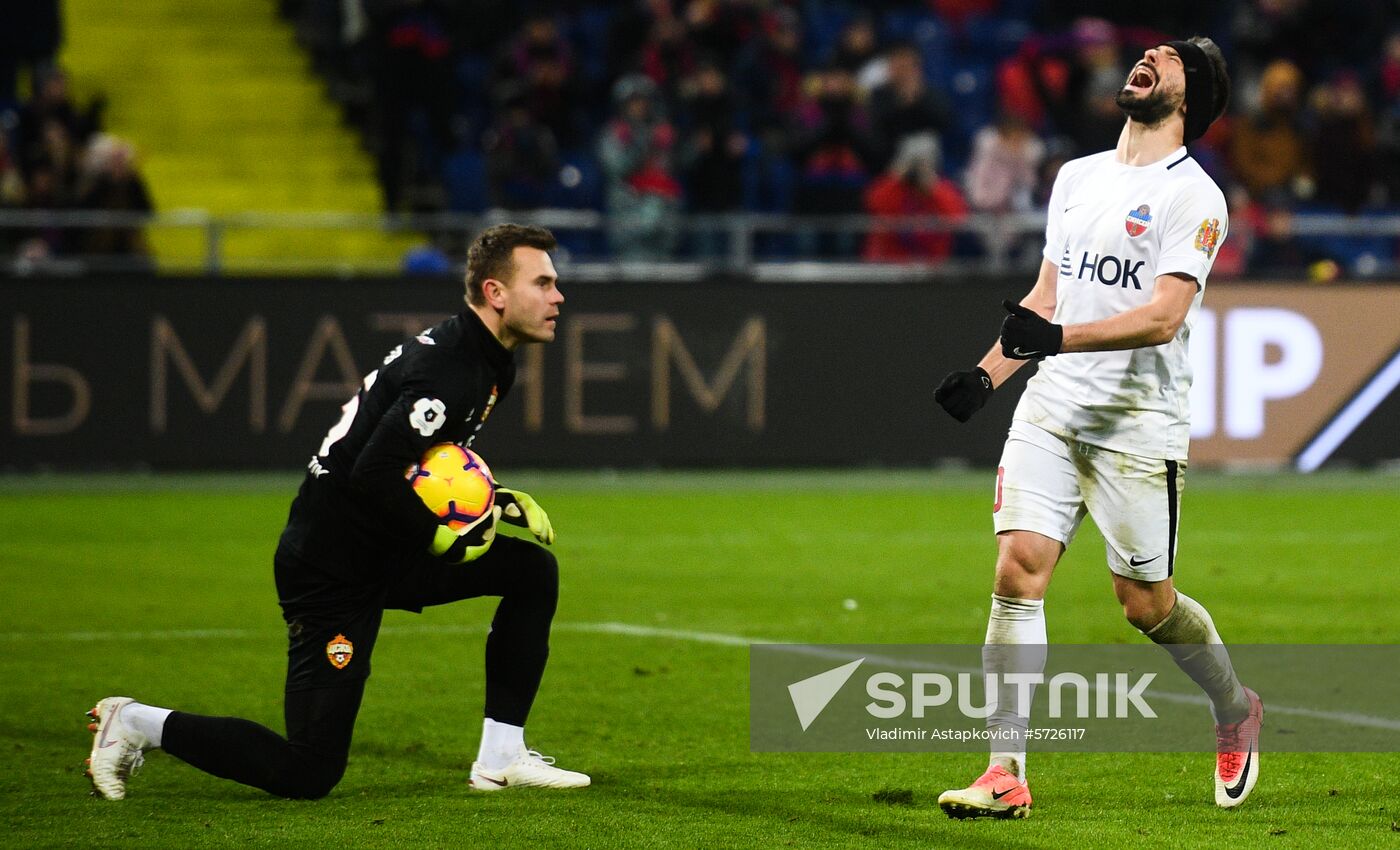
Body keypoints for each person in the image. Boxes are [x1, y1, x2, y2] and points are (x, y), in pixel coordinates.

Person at [85, 224, 589, 800]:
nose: (558, 297)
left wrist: (492, 499)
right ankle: (134, 722)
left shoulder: (488, 360)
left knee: (530, 572)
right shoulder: (450, 368)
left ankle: (501, 757)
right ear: (496, 293)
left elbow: (420, 464)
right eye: (544, 282)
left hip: (383, 547)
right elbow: (370, 472)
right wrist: (440, 536)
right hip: (332, 568)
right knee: (308, 771)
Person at [932, 37, 1262, 819]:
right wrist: (989, 374)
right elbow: (1048, 296)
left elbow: (1163, 318)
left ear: (1191, 98)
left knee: (1146, 605)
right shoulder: (1077, 177)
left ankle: (1233, 705)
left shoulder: (1195, 197)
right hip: (1052, 407)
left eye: (1171, 58)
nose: (1149, 55)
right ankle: (1004, 771)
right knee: (1018, 570)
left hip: (1137, 423)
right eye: (1149, 50)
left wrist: (1055, 342)